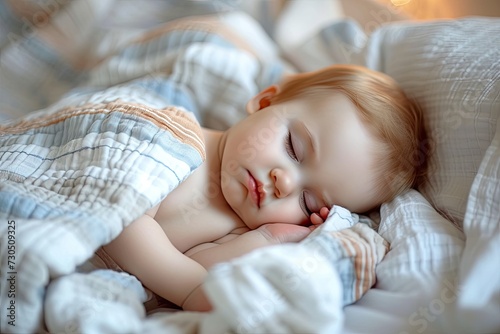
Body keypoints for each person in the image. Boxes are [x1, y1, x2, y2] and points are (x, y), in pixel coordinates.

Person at [102, 64, 428, 312]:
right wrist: (190, 290)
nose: (284, 182)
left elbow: (191, 266)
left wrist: (270, 238)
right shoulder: (175, 137)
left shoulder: (240, 226)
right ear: (265, 101)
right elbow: (119, 217)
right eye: (293, 148)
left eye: (308, 201)